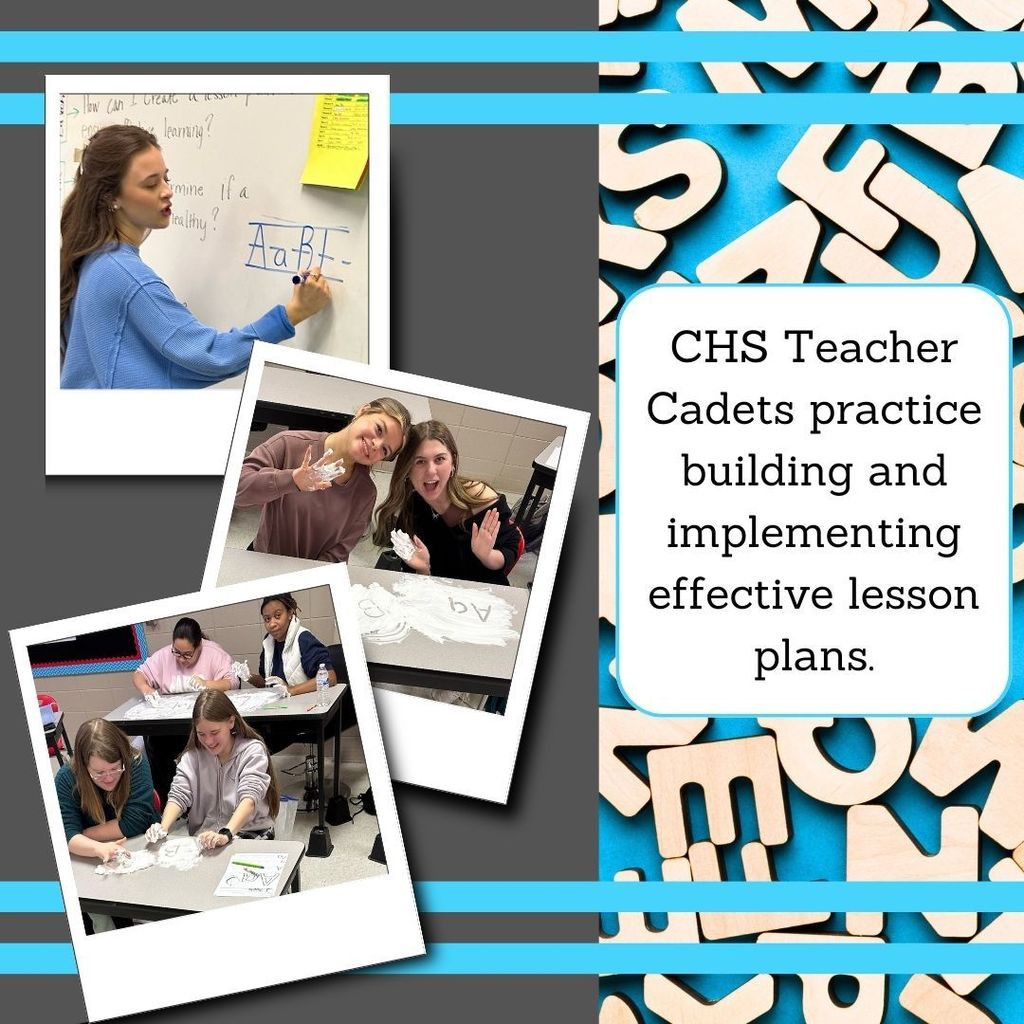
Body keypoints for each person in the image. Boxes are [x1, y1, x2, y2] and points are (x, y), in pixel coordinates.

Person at [60, 124, 331, 389]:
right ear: (111, 197)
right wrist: (294, 313)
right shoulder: (128, 279)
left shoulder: (93, 258)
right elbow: (211, 356)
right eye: (151, 184)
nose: (167, 191)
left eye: (166, 177)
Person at [235, 397, 412, 563]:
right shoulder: (289, 444)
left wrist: (304, 582)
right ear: (363, 411)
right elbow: (236, 492)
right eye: (378, 429)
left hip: (308, 580)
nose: (376, 445)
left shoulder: (365, 493)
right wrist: (291, 480)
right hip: (262, 561)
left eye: (385, 450)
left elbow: (340, 552)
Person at [372, 420, 522, 586]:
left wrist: (487, 555)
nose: (430, 471)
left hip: (484, 596)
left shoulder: (479, 499)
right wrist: (423, 568)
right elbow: (417, 578)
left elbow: (512, 547)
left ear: (453, 462)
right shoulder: (410, 512)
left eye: (440, 459)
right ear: (407, 469)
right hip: (438, 598)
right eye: (419, 461)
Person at [146, 690, 280, 848]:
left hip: (249, 831)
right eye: (201, 734)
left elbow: (249, 799)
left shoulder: (252, 751)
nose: (208, 741)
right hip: (207, 834)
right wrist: (163, 827)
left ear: (231, 722)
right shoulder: (192, 757)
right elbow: (179, 795)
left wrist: (226, 834)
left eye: (214, 732)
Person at [132, 616, 239, 803]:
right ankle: (170, 798)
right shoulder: (165, 656)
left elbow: (233, 681)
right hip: (173, 725)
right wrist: (146, 689)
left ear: (199, 646)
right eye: (177, 653)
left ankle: (213, 799)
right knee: (153, 742)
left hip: (203, 725)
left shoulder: (214, 653)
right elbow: (140, 674)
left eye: (188, 654)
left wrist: (208, 684)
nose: (181, 659)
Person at [55, 719, 159, 863]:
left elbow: (136, 821)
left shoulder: (135, 761)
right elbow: (65, 835)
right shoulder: (67, 778)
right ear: (83, 766)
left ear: (123, 757)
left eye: (115, 768)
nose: (109, 778)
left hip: (143, 844)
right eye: (99, 772)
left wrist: (83, 835)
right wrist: (97, 848)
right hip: (95, 854)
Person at [249, 594, 337, 696]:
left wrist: (291, 690)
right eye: (267, 619)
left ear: (290, 613)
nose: (272, 624)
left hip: (306, 705)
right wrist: (249, 677)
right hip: (282, 706)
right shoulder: (268, 642)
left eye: (277, 616)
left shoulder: (303, 639)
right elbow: (266, 683)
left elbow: (330, 677)